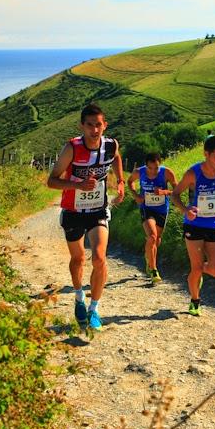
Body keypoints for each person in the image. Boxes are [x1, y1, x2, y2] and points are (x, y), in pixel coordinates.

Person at [47, 103, 125, 330]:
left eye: (98, 125)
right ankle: (79, 296)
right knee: (79, 259)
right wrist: (79, 185)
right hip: (73, 211)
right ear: (82, 126)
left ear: (105, 125)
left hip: (98, 210)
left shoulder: (111, 146)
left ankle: (94, 309)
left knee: (100, 258)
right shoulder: (72, 148)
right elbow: (52, 180)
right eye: (89, 125)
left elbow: (117, 158)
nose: (94, 130)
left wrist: (119, 182)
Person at [171, 135, 215, 316]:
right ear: (206, 154)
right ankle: (195, 300)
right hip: (194, 225)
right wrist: (185, 210)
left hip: (214, 224)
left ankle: (197, 272)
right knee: (196, 267)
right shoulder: (193, 173)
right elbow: (175, 194)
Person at [127, 153, 177, 285]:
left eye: (156, 168)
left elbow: (177, 190)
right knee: (152, 236)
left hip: (161, 209)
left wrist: (164, 192)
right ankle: (154, 270)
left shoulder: (167, 173)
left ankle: (148, 255)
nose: (153, 171)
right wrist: (136, 195)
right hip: (146, 207)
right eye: (150, 168)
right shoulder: (139, 172)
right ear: (146, 165)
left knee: (157, 240)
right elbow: (130, 181)